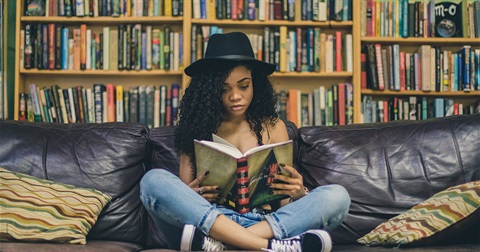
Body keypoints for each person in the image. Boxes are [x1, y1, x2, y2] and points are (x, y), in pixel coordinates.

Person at [140, 32, 350, 252]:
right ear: (210, 91)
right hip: (209, 222)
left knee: (337, 197)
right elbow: (184, 202)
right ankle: (271, 247)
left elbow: (284, 203)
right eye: (224, 88)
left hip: (262, 224)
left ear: (255, 85)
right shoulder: (195, 129)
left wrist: (298, 193)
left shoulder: (274, 127)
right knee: (152, 181)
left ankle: (227, 244)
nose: (235, 96)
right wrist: (192, 195)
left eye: (243, 86)